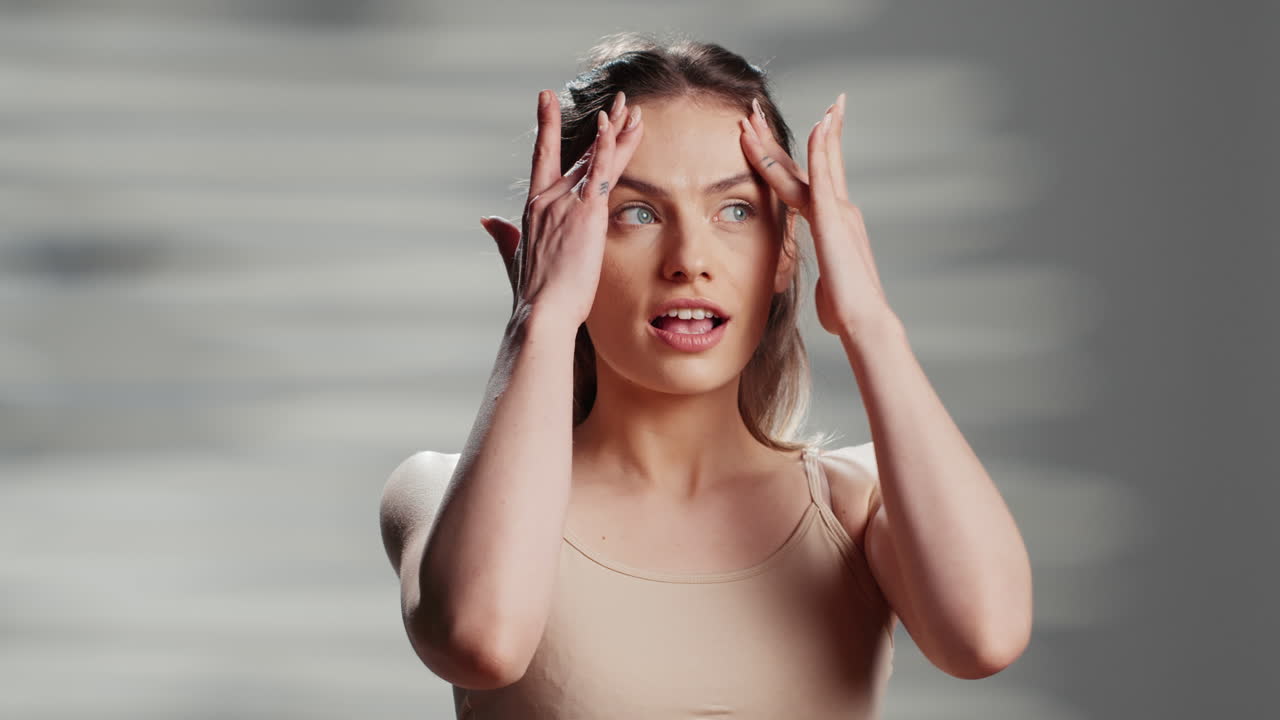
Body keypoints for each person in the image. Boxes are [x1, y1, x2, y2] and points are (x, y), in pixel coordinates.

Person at [379, 32, 1033, 719]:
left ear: (786, 251)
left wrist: (869, 320)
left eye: (737, 210)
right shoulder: (435, 490)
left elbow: (984, 638)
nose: (689, 259)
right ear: (555, 247)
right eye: (635, 212)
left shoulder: (858, 503)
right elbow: (481, 641)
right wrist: (539, 320)